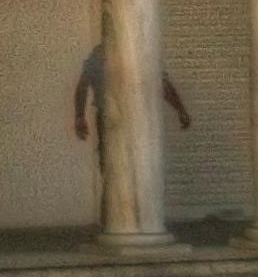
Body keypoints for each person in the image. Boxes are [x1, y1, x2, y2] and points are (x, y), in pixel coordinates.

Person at [72, 41, 189, 213]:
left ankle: (123, 221)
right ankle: (123, 221)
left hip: (125, 120)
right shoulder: (125, 51)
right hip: (120, 120)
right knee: (126, 170)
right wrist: (181, 110)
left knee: (120, 171)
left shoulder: (107, 53)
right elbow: (163, 84)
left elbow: (162, 84)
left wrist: (80, 116)